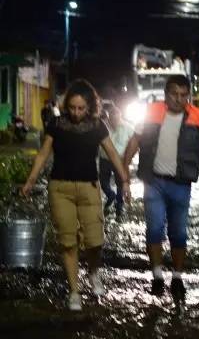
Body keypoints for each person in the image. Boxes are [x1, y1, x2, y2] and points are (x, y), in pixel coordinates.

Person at [21, 79, 131, 311]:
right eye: (72, 107)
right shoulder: (56, 124)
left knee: (95, 239)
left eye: (81, 108)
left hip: (89, 188)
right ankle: (74, 291)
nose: (76, 112)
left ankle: (93, 272)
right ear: (66, 105)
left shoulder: (97, 126)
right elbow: (43, 154)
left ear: (89, 106)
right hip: (60, 188)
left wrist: (125, 180)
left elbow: (111, 152)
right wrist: (30, 180)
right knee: (68, 240)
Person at [123, 75, 199, 297]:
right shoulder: (151, 113)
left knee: (178, 232)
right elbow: (135, 141)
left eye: (184, 95)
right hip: (154, 181)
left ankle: (177, 278)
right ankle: (157, 276)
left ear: (189, 95)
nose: (179, 99)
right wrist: (124, 172)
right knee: (154, 229)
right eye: (175, 94)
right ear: (166, 95)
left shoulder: (198, 117)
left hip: (181, 184)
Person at [99, 105, 134, 221]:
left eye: (116, 118)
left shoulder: (128, 128)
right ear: (109, 117)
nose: (114, 120)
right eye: (112, 118)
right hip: (104, 158)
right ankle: (110, 195)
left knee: (120, 184)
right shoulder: (102, 125)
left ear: (120, 116)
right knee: (103, 183)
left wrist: (129, 157)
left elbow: (135, 142)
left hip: (120, 160)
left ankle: (119, 207)